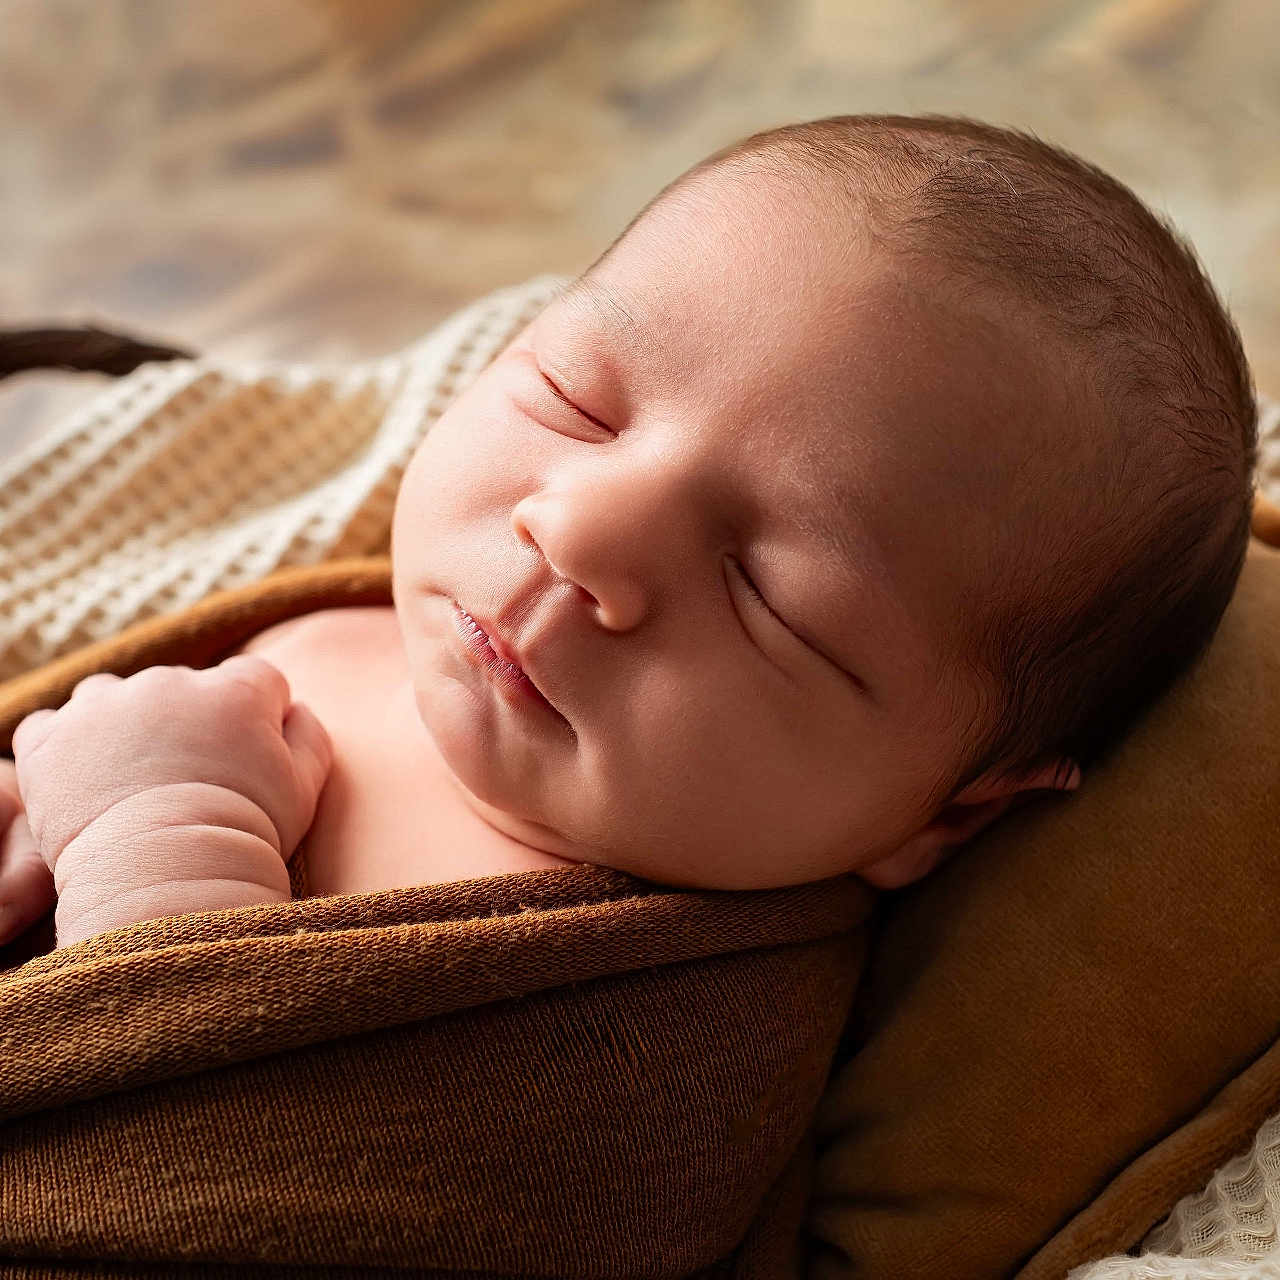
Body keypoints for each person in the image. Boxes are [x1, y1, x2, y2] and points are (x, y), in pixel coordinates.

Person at [0, 113, 1257, 951]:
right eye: (577, 400)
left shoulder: (643, 1016)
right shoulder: (371, 612)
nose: (577, 527)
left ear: (951, 813)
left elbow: (201, 1190)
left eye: (772, 594)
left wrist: (154, 848)